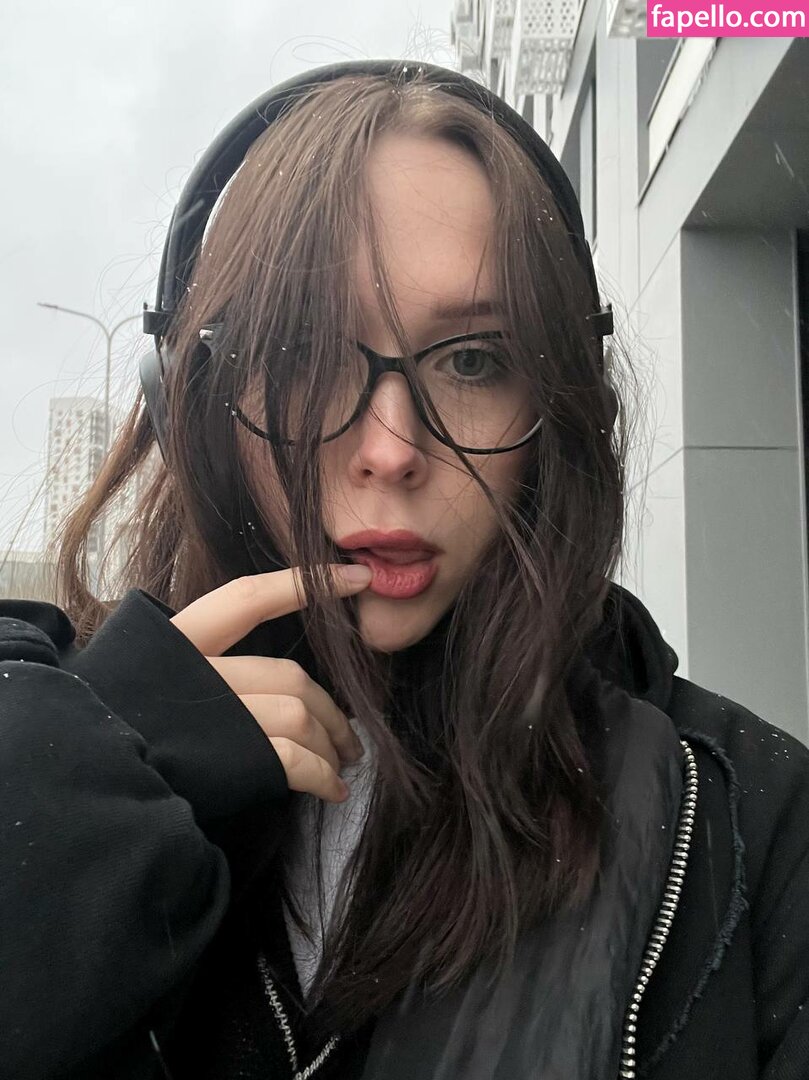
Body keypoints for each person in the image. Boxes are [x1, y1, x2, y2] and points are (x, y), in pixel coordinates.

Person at [1, 60, 808, 1080]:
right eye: (301, 357)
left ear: (560, 410)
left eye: (472, 361)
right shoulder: (39, 721)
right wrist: (72, 807)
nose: (391, 450)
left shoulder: (747, 821)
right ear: (191, 400)